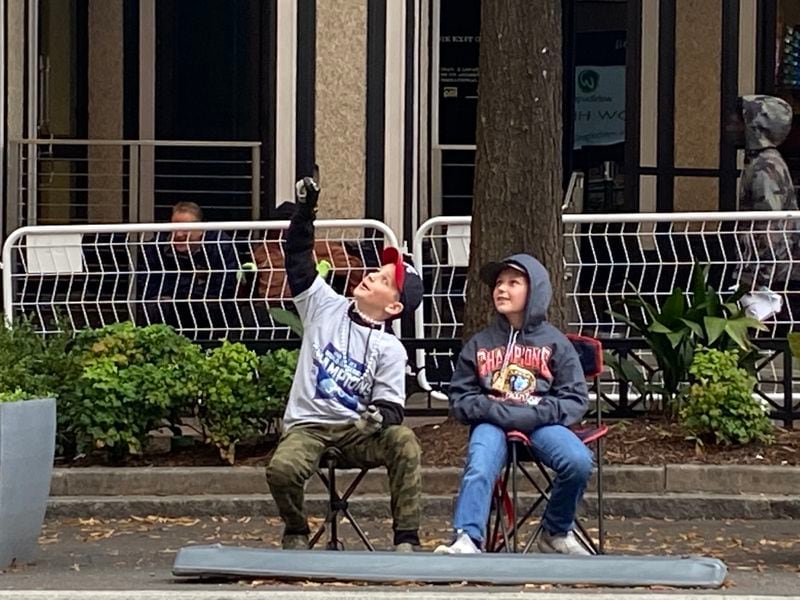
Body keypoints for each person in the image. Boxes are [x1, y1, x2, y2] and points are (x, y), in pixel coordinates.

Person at [265, 176, 424, 552]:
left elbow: (392, 408)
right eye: (376, 271)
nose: (370, 275)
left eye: (384, 280)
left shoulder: (390, 348)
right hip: (308, 429)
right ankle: (296, 530)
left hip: (356, 433)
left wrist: (377, 419)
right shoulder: (323, 305)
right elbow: (299, 257)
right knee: (281, 469)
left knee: (404, 442)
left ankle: (406, 538)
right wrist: (306, 211)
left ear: (393, 307)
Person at [434, 254, 593, 555]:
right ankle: (467, 538)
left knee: (578, 460)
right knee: (480, 465)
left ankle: (556, 532)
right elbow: (460, 397)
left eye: (513, 283)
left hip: (541, 424)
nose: (502, 289)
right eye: (498, 283)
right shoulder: (481, 342)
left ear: (534, 291)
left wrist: (534, 415)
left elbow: (574, 398)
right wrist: (493, 411)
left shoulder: (556, 343)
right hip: (491, 423)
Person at [733, 95, 800, 323]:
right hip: (775, 273)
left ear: (754, 126)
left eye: (737, 121)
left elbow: (769, 228)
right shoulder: (764, 162)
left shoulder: (765, 167)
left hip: (775, 278)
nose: (729, 127)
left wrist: (756, 276)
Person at [138, 201, 239, 336]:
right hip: (170, 308)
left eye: (186, 228)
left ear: (201, 229)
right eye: (174, 228)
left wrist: (185, 291)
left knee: (213, 305)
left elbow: (225, 288)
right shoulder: (156, 247)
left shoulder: (221, 246)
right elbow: (148, 287)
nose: (179, 235)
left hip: (208, 310)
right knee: (155, 305)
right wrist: (191, 284)